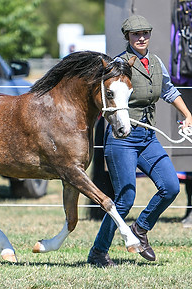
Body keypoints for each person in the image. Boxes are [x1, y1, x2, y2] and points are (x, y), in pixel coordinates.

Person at [87, 15, 192, 267]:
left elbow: (168, 90)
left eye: (145, 33)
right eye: (136, 34)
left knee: (171, 186)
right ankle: (98, 252)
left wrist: (188, 115)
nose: (141, 37)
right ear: (128, 37)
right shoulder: (117, 65)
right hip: (121, 138)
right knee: (125, 198)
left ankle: (140, 229)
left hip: (147, 137)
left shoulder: (155, 63)